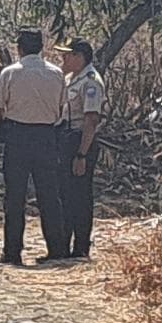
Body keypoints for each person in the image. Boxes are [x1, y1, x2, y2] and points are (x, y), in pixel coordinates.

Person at [0, 27, 70, 266]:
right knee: (49, 195)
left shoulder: (10, 73)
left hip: (17, 136)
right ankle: (57, 249)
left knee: (14, 196)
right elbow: (62, 108)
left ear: (20, 48)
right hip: (46, 136)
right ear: (41, 47)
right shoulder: (56, 73)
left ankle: (13, 251)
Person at [55, 37, 106, 262]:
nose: (63, 58)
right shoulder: (69, 79)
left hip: (80, 140)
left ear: (79, 57)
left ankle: (81, 246)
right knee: (64, 193)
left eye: (67, 54)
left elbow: (91, 120)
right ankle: (63, 244)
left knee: (80, 195)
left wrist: (81, 154)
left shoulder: (91, 81)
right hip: (65, 138)